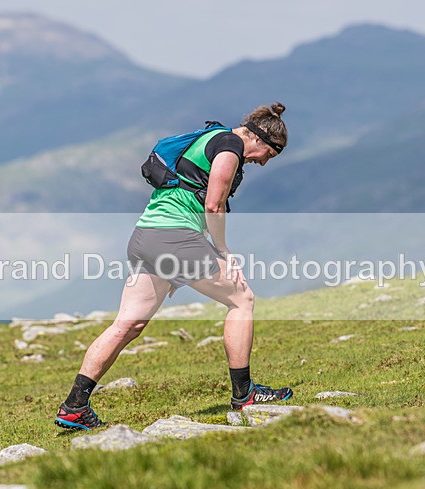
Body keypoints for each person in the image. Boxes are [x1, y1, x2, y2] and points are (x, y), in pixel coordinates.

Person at [55, 102, 292, 431]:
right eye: (270, 154)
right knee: (242, 299)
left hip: (146, 236)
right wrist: (223, 251)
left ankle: (74, 406)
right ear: (259, 138)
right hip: (174, 238)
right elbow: (213, 204)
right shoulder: (230, 146)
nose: (263, 162)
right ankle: (245, 395)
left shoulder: (211, 137)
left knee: (127, 325)